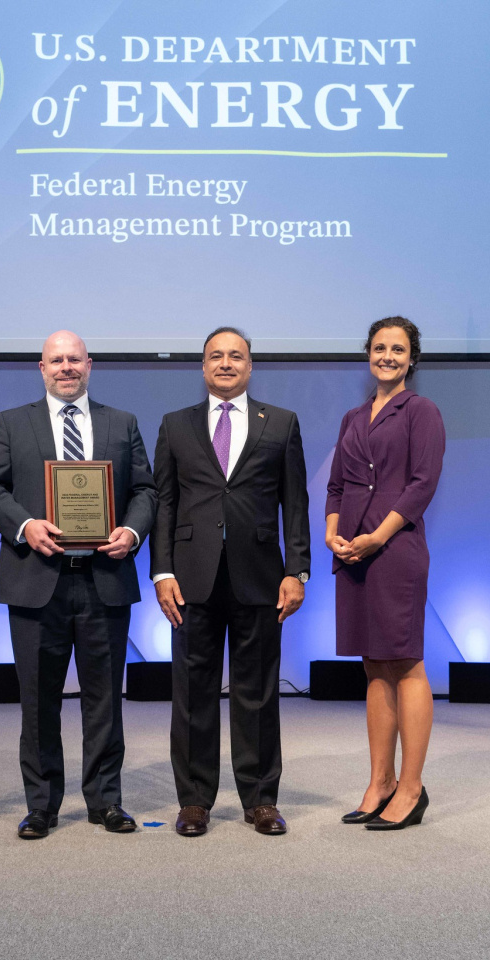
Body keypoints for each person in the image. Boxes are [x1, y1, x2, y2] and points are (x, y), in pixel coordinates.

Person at [0, 330, 157, 839]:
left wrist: (132, 529)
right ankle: (42, 806)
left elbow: (146, 490)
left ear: (90, 365)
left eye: (74, 359)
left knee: (105, 701)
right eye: (56, 360)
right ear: (41, 368)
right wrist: (25, 525)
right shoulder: (14, 423)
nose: (66, 368)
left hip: (104, 580)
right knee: (38, 702)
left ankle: (106, 801)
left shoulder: (122, 423)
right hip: (36, 583)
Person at [151, 327, 311, 837]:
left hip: (261, 576)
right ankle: (194, 800)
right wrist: (162, 570)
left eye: (235, 356)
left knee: (258, 692)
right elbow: (165, 502)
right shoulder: (175, 425)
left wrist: (297, 570)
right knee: (193, 693)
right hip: (191, 578)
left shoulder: (281, 423)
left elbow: (296, 503)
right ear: (202, 367)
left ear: (250, 365)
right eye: (215, 356)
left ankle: (261, 798)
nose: (225, 363)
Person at [325, 317, 445, 831]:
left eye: (398, 349)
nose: (388, 356)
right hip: (352, 552)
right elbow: (335, 486)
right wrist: (334, 533)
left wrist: (379, 535)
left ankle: (412, 788)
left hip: (395, 551)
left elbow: (421, 485)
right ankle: (380, 782)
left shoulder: (422, 411)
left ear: (412, 358)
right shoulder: (353, 416)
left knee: (406, 664)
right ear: (368, 354)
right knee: (374, 666)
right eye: (379, 348)